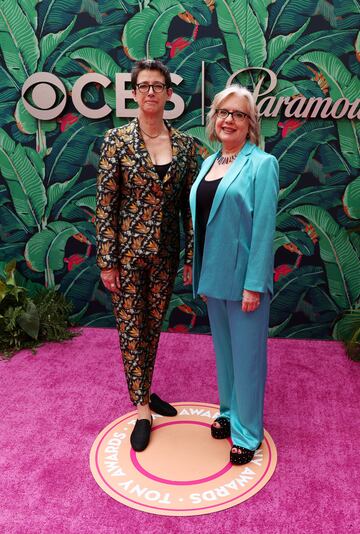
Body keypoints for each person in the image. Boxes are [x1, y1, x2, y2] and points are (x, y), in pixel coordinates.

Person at [96, 59, 198, 451]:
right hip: (125, 254)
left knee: (152, 325)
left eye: (158, 86)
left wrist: (190, 257)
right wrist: (107, 260)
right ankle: (142, 407)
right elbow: (105, 205)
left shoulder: (186, 146)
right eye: (144, 86)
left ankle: (146, 389)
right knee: (130, 327)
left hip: (165, 254)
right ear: (134, 93)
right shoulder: (116, 141)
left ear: (169, 94)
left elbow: (188, 208)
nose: (151, 92)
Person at [190, 85, 279, 465]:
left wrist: (255, 285)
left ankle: (247, 432)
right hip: (214, 277)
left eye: (239, 114)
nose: (229, 119)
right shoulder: (208, 163)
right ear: (214, 119)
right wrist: (201, 273)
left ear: (250, 124)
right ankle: (228, 412)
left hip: (245, 282)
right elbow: (203, 222)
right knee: (225, 354)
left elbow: (263, 229)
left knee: (247, 358)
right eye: (223, 112)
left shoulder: (262, 164)